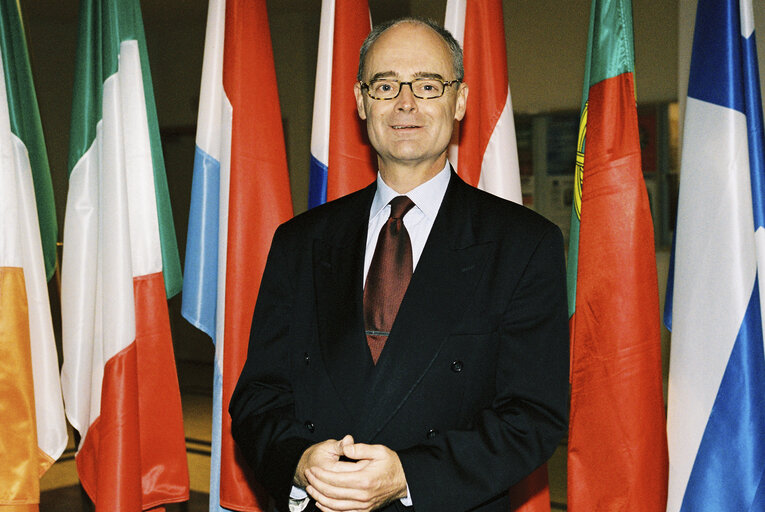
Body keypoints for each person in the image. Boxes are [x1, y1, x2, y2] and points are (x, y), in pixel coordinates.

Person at [230, 17, 569, 512]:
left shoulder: (523, 244)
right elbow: (258, 395)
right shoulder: (300, 241)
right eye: (385, 85)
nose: (405, 103)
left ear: (460, 101)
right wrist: (299, 462)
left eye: (428, 85)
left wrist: (409, 475)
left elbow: (532, 416)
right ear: (362, 101)